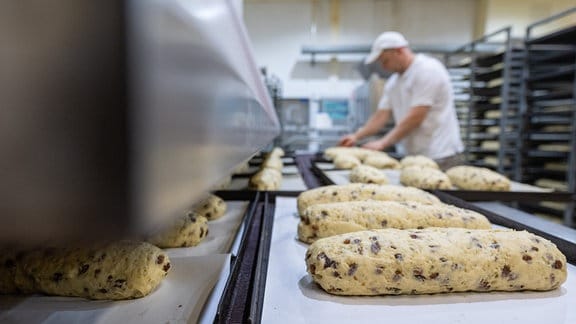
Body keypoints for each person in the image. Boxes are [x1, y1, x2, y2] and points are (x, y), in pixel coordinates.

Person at [338, 31, 464, 170]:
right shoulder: (393, 82)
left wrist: (382, 143)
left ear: (399, 51)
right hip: (414, 155)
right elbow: (381, 115)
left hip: (440, 152)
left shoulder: (427, 70)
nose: (384, 67)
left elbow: (416, 116)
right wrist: (356, 136)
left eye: (385, 61)